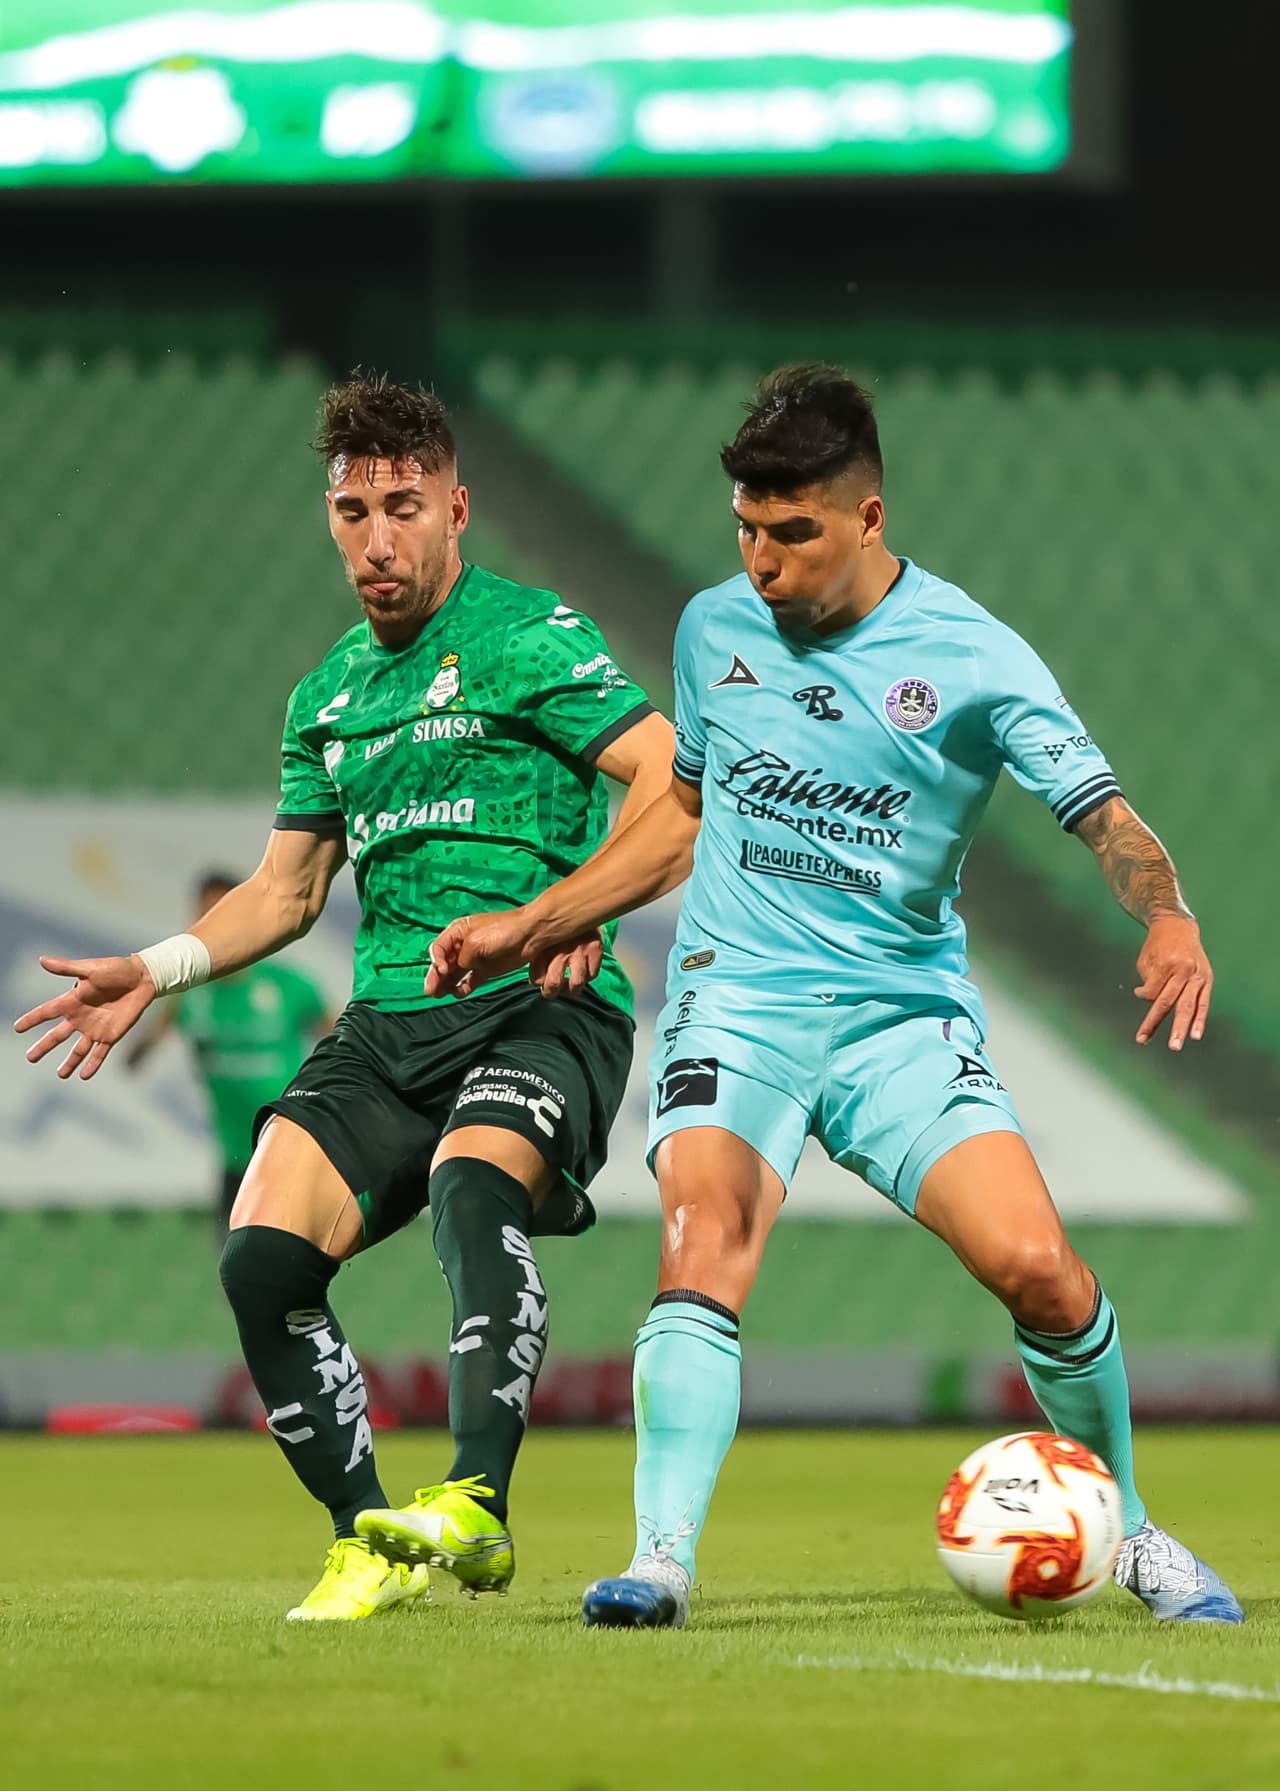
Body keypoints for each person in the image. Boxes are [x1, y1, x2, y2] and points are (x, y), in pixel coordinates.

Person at [425, 363, 1245, 1630]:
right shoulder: (713, 630)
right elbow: (682, 814)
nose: (761, 562)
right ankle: (659, 1561)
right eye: (745, 530)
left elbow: (1104, 817)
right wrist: (545, 920)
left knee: (1040, 1273)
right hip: (735, 1003)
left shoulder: (971, 656)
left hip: (895, 1022)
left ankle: (1129, 1531)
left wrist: (1168, 913)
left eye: (792, 533)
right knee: (702, 1237)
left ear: (867, 516)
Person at [15, 372, 674, 1623]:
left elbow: (666, 782)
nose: (377, 541)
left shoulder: (528, 635)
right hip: (389, 1023)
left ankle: (473, 1504)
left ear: (455, 511)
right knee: (260, 1260)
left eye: (403, 509)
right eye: (352, 512)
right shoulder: (326, 696)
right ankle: (365, 1536)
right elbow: (285, 891)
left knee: (472, 1184)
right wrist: (154, 969)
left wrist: (565, 911)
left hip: (535, 1004)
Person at [126, 870, 332, 1233]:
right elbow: (135, 1057)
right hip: (235, 1162)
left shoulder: (287, 985)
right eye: (205, 914)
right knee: (236, 1261)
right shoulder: (189, 996)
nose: (215, 924)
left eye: (222, 911)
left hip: (291, 1154)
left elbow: (341, 1038)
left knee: (297, 1258)